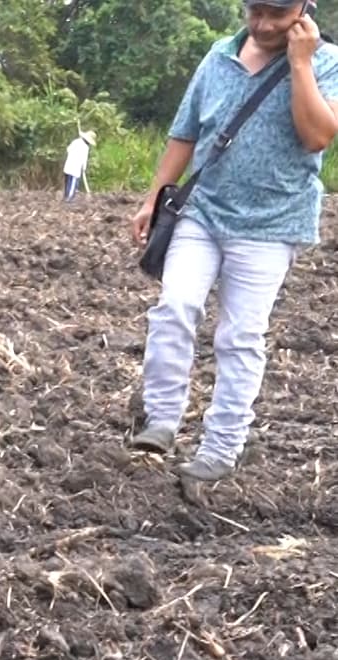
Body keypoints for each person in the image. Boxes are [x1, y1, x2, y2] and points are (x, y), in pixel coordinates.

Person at [129, 0, 338, 480]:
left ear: (303, 9)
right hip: (203, 213)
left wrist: (300, 63)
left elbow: (317, 137)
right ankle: (160, 420)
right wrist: (153, 195)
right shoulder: (217, 56)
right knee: (174, 308)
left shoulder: (327, 62)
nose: (263, 25)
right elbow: (184, 134)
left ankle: (220, 450)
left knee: (240, 337)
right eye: (255, 12)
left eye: (276, 16)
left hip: (272, 222)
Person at [62, 129, 95, 200]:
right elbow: (84, 159)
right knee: (73, 184)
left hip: (68, 165)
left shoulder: (75, 141)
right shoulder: (85, 147)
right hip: (75, 168)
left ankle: (66, 196)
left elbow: (68, 149)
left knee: (68, 182)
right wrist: (84, 167)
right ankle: (69, 199)